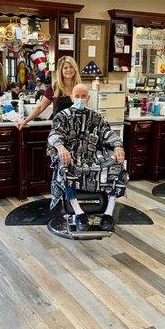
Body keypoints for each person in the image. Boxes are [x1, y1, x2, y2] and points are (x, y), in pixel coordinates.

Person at [47, 84, 128, 232]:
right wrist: (60, 147)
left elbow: (108, 134)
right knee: (65, 167)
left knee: (118, 166)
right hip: (71, 157)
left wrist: (117, 146)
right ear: (71, 97)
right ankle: (79, 214)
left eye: (83, 96)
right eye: (77, 96)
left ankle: (108, 214)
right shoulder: (62, 117)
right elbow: (54, 135)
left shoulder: (96, 117)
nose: (80, 99)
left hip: (93, 158)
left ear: (88, 98)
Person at [17, 56, 81, 129]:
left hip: (76, 129)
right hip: (59, 129)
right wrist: (25, 120)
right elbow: (40, 107)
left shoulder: (80, 88)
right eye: (65, 68)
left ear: (75, 69)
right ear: (61, 71)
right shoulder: (54, 88)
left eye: (71, 67)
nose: (69, 70)